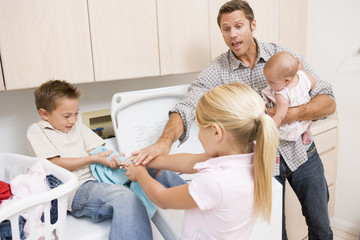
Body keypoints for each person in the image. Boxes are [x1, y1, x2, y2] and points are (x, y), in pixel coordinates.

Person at [132, 0, 336, 239]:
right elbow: (187, 105)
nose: (233, 34)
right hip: (263, 163)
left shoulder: (282, 57)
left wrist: (287, 115)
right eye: (226, 29)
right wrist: (164, 142)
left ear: (253, 24)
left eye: (239, 26)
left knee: (321, 227)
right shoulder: (217, 70)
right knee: (274, 233)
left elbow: (327, 100)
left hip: (302, 154)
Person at [26, 80, 185, 240]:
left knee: (153, 167)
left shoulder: (77, 127)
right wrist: (92, 159)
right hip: (75, 190)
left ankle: (196, 200)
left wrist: (119, 161)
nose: (73, 120)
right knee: (126, 197)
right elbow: (53, 164)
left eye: (76, 113)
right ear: (44, 114)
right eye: (67, 116)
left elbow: (102, 152)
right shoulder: (37, 131)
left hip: (100, 181)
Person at [125, 83, 279, 239]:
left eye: (199, 128)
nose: (198, 135)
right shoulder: (249, 154)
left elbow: (162, 198)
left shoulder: (214, 182)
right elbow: (190, 161)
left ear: (216, 132)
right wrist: (152, 161)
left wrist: (139, 173)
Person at [262, 51, 316, 145]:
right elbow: (313, 83)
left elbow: (280, 116)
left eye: (271, 81)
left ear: (286, 80)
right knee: (305, 121)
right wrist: (302, 70)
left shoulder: (282, 95)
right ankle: (306, 131)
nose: (268, 83)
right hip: (305, 120)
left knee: (278, 129)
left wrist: (268, 130)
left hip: (292, 127)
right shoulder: (302, 76)